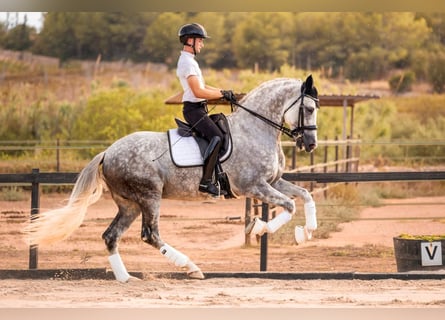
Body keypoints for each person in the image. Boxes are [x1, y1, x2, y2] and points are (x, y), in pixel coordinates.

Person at [176, 23, 236, 196]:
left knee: (221, 132)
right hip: (194, 110)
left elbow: (203, 86)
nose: (202, 44)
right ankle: (205, 181)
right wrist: (221, 93)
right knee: (216, 137)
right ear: (190, 41)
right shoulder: (187, 63)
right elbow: (198, 91)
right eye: (200, 40)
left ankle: (220, 177)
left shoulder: (190, 61)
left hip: (199, 108)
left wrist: (222, 92)